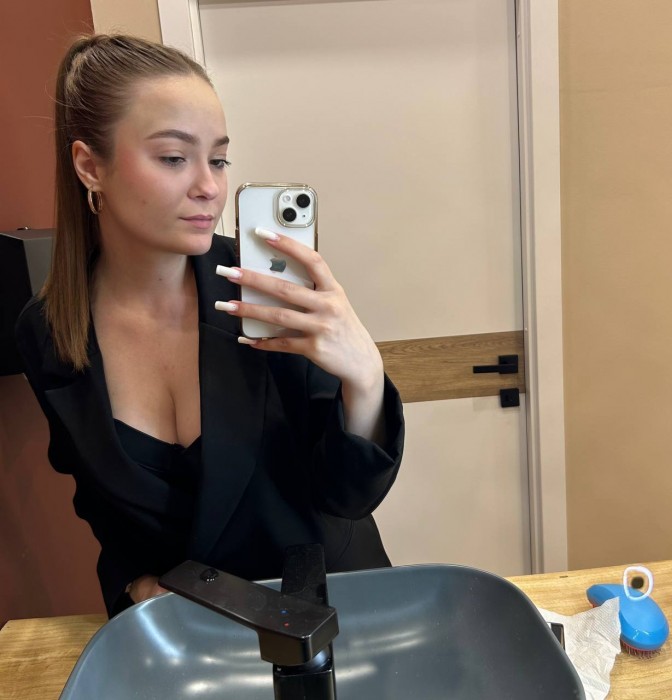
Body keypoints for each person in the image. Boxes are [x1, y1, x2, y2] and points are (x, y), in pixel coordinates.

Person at [15, 34, 404, 618]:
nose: (210, 187)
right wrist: (132, 582)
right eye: (175, 158)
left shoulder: (266, 291)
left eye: (218, 159)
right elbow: (97, 499)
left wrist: (365, 380)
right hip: (190, 629)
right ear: (90, 166)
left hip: (329, 618)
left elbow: (347, 495)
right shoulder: (48, 332)